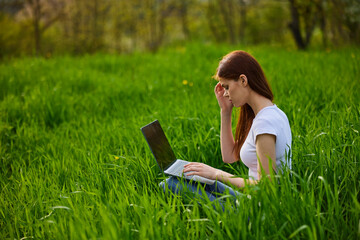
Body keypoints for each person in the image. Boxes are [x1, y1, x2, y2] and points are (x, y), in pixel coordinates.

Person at [160, 50, 292, 208]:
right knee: (182, 180)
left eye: (227, 87)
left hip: (260, 212)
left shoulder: (265, 123)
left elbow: (266, 187)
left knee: (170, 185)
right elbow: (229, 156)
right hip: (253, 201)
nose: (226, 94)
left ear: (243, 80)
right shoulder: (269, 113)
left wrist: (216, 174)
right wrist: (225, 111)